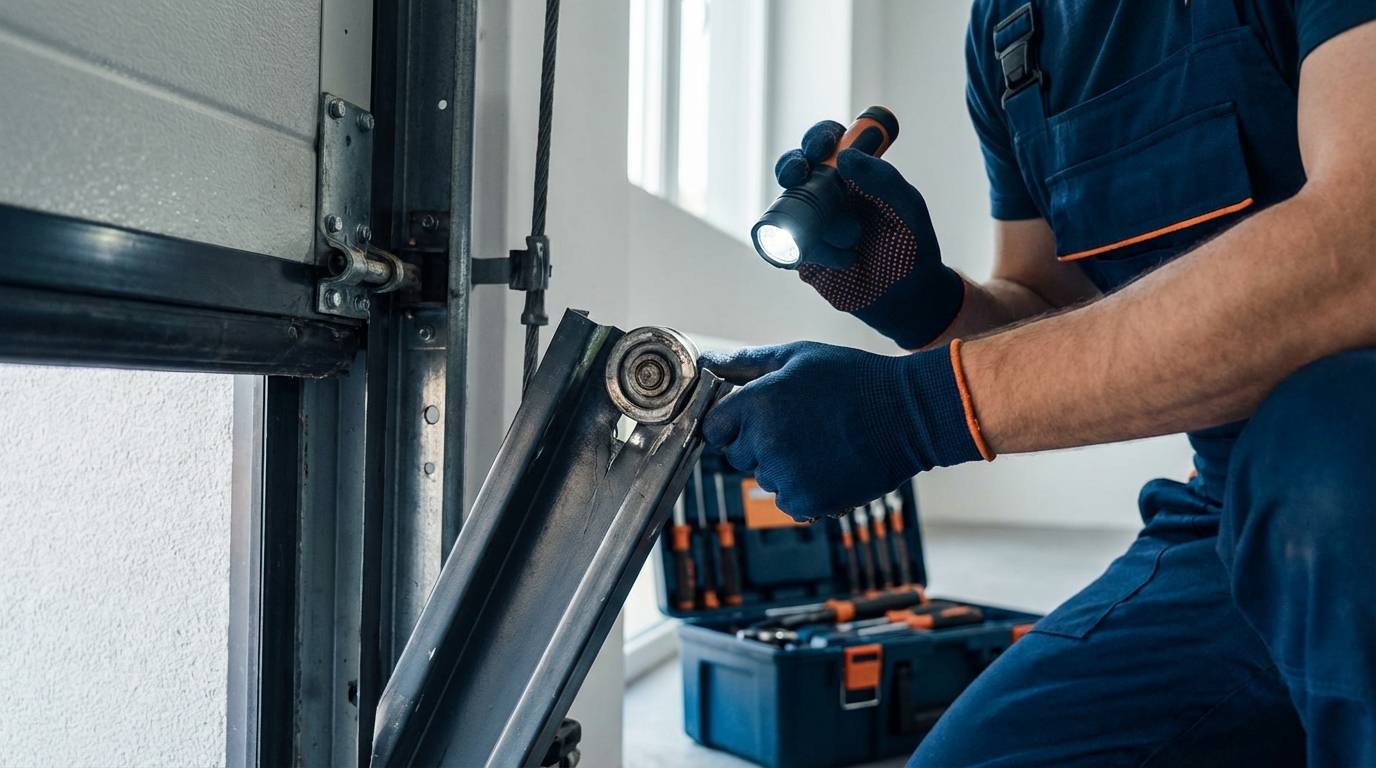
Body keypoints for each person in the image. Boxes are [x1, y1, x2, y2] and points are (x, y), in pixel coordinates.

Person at [700, 0, 1376, 764]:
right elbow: (1049, 307)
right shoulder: (1010, 31)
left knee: (1324, 444)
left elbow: (1359, 249)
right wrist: (923, 304)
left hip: (1347, 473)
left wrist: (914, 410)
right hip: (1232, 516)